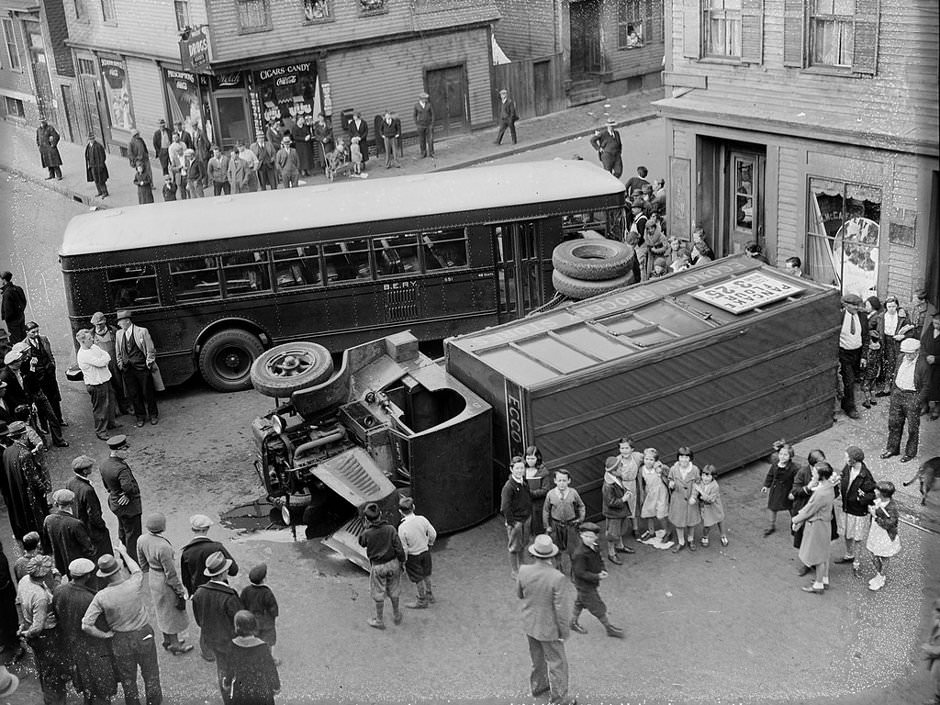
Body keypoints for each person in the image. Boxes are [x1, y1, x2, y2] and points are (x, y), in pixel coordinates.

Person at [82, 547, 164, 705]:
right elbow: (136, 570)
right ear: (118, 569)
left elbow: (86, 625)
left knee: (128, 680)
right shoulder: (133, 584)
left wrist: (105, 635)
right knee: (151, 673)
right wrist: (124, 553)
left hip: (120, 640)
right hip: (143, 634)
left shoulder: (101, 596)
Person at [516, 534, 574, 705]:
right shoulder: (557, 577)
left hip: (530, 624)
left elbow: (519, 594)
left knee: (537, 659)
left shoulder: (523, 570)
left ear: (534, 554)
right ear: (552, 556)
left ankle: (538, 686)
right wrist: (564, 631)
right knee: (557, 663)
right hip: (549, 628)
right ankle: (559, 699)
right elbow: (561, 610)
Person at [52, 557, 118, 705]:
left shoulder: (59, 591)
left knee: (85, 681)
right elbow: (102, 625)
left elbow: (57, 616)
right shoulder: (90, 599)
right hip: (93, 646)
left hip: (73, 645)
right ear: (88, 575)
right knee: (101, 684)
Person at [137, 512, 192, 656]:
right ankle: (175, 645)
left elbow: (142, 561)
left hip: (153, 577)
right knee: (171, 613)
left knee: (161, 610)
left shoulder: (142, 539)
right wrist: (180, 590)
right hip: (164, 580)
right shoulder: (163, 547)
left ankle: (167, 640)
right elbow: (171, 573)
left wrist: (148, 571)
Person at [193, 550, 244, 703]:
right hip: (230, 643)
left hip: (212, 640)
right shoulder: (229, 596)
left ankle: (227, 698)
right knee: (236, 673)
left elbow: (198, 620)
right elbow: (240, 623)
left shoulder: (199, 593)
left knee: (222, 670)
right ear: (224, 573)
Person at [17, 555, 69, 703]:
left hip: (30, 625)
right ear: (44, 574)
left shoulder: (24, 581)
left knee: (43, 668)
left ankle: (50, 695)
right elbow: (38, 627)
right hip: (46, 636)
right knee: (53, 673)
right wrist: (27, 633)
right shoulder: (40, 597)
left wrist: (22, 623)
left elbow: (18, 601)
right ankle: (56, 701)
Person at [568, 522, 624, 639]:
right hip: (584, 585)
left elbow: (599, 559)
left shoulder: (595, 546)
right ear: (581, 535)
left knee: (580, 602)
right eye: (585, 536)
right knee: (597, 607)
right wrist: (597, 576)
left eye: (591, 536)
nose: (588, 539)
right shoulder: (580, 554)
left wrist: (602, 569)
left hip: (589, 583)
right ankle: (608, 628)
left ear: (596, 537)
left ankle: (572, 623)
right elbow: (580, 572)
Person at [0, 420, 51, 543]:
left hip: (17, 491)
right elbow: (33, 478)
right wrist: (43, 489)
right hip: (30, 495)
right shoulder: (25, 454)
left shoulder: (8, 451)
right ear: (23, 435)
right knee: (38, 518)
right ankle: (43, 541)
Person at [881, 337, 930, 463]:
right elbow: (895, 373)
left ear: (917, 351)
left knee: (913, 428)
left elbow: (926, 386)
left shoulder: (923, 365)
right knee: (894, 424)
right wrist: (893, 393)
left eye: (910, 353)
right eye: (906, 353)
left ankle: (910, 453)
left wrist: (917, 401)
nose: (907, 355)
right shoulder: (900, 358)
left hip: (912, 396)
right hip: (898, 394)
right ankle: (892, 449)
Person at [358, 502, 405, 629]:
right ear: (381, 514)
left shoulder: (367, 533)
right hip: (393, 563)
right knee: (394, 589)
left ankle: (379, 620)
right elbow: (399, 548)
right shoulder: (391, 529)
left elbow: (361, 543)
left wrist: (365, 527)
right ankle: (396, 615)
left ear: (367, 519)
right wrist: (402, 562)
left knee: (378, 593)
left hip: (378, 566)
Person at [791, 461, 836, 594]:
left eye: (815, 473)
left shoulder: (820, 493)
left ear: (821, 475)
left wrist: (796, 520)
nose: (813, 474)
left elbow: (809, 510)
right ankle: (824, 579)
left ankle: (818, 584)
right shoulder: (828, 486)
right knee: (823, 553)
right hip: (824, 523)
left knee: (818, 556)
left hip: (817, 525)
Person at [99, 434, 143, 559]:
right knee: (133, 535)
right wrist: (127, 494)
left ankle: (123, 557)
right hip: (129, 508)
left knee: (123, 531)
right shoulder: (121, 468)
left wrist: (117, 493)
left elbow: (106, 485)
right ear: (117, 450)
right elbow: (129, 487)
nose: (127, 452)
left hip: (115, 502)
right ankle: (132, 561)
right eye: (125, 449)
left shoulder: (104, 464)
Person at [115, 309, 160, 427]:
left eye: (120, 321)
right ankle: (140, 417)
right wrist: (120, 363)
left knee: (147, 392)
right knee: (134, 394)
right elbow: (118, 351)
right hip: (127, 370)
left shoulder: (142, 331)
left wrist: (148, 364)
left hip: (142, 368)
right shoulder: (119, 334)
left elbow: (150, 349)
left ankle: (153, 415)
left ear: (128, 321)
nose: (118, 324)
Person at [835, 446, 876, 575]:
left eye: (847, 457)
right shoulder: (848, 468)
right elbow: (843, 477)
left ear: (853, 460)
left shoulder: (865, 476)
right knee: (847, 534)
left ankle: (856, 563)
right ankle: (849, 555)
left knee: (857, 539)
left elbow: (872, 494)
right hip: (847, 508)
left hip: (858, 512)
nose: (845, 459)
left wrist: (860, 498)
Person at [180, 514, 239, 603]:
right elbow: (234, 570)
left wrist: (191, 593)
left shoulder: (186, 552)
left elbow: (185, 579)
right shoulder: (217, 547)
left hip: (199, 595)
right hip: (220, 593)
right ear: (207, 528)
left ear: (192, 529)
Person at [226, 610, 280, 705]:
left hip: (241, 688)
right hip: (262, 689)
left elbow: (229, 667)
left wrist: (227, 682)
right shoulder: (262, 647)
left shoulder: (232, 645)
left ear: (237, 627)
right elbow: (270, 669)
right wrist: (276, 686)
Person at [67, 455, 113, 560]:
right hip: (91, 527)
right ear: (84, 471)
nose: (91, 468)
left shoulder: (70, 482)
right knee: (103, 549)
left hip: (79, 521)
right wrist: (101, 526)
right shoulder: (87, 490)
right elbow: (93, 513)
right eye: (89, 467)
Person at [541, 468, 585, 575]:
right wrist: (547, 526)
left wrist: (580, 519)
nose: (562, 483)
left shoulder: (573, 493)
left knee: (573, 549)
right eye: (559, 480)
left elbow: (581, 506)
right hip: (556, 525)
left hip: (571, 524)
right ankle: (558, 566)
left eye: (564, 480)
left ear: (569, 481)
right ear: (555, 481)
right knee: (556, 548)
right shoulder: (551, 494)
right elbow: (546, 510)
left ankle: (574, 571)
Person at [43, 488, 95, 577]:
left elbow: (46, 543)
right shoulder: (76, 523)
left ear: (56, 503)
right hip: (77, 566)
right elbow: (88, 549)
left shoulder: (48, 520)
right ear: (72, 503)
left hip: (60, 562)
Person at [76, 328, 117, 440]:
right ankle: (100, 431)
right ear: (83, 341)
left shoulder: (93, 347)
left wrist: (103, 359)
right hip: (96, 384)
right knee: (100, 408)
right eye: (89, 338)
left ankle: (110, 424)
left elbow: (106, 355)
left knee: (110, 404)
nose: (92, 339)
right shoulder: (83, 354)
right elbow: (101, 362)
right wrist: (103, 359)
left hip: (105, 380)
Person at [397, 496, 437, 609]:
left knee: (418, 578)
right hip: (425, 552)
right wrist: (430, 544)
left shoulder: (402, 527)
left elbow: (404, 548)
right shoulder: (422, 519)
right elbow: (433, 533)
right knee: (427, 574)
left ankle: (421, 600)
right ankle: (430, 594)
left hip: (413, 556)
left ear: (400, 511)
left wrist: (403, 561)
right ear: (413, 507)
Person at [23, 320, 63, 426]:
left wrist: (52, 364)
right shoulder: (24, 345)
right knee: (41, 402)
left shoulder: (44, 339)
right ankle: (44, 425)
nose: (36, 334)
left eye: (37, 331)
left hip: (49, 374)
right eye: (33, 332)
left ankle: (59, 419)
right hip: (38, 378)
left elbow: (49, 354)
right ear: (26, 332)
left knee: (54, 398)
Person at [91, 312, 131, 417]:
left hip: (114, 364)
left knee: (120, 386)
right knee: (108, 390)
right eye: (97, 324)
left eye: (101, 324)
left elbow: (121, 346)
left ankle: (125, 408)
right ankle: (113, 411)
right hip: (102, 366)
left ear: (105, 322)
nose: (99, 326)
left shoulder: (113, 331)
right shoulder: (91, 335)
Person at [863, 480, 900, 592]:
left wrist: (875, 516)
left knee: (884, 557)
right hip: (876, 531)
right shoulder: (879, 501)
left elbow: (890, 523)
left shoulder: (892, 507)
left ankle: (881, 577)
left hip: (885, 535)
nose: (874, 491)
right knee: (873, 553)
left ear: (882, 494)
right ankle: (879, 574)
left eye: (877, 490)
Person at [501, 456, 533, 577]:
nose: (520, 470)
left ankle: (523, 566)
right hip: (516, 522)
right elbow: (505, 506)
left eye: (522, 468)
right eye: (517, 468)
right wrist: (511, 522)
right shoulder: (509, 487)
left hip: (526, 519)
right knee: (514, 547)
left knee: (523, 544)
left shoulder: (524, 483)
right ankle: (515, 571)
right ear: (511, 469)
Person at [838, 293, 869, 419]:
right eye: (854, 305)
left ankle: (845, 402)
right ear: (846, 305)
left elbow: (866, 337)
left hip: (858, 353)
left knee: (854, 380)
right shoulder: (839, 317)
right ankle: (850, 408)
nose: (857, 308)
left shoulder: (862, 317)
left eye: (858, 305)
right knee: (849, 381)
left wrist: (864, 356)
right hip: (844, 353)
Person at [667, 446, 702, 553]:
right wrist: (671, 484)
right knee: (679, 522)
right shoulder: (673, 469)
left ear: (690, 458)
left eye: (687, 457)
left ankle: (690, 540)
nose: (684, 460)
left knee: (691, 521)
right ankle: (681, 542)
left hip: (691, 500)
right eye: (681, 457)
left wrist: (694, 497)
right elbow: (670, 479)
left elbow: (698, 484)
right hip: (678, 500)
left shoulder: (695, 470)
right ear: (678, 458)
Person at [760, 442, 797, 536]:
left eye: (785, 455)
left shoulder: (794, 468)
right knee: (772, 508)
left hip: (788, 491)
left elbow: (797, 482)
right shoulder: (775, 464)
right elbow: (770, 475)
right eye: (781, 454)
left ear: (790, 456)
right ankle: (771, 526)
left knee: (792, 509)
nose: (782, 457)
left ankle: (795, 525)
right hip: (776, 491)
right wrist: (766, 485)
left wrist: (793, 492)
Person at [878, 295, 910, 397]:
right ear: (885, 307)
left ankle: (896, 387)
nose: (891, 309)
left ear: (897, 306)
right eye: (889, 307)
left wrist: (902, 336)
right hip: (886, 341)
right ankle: (887, 385)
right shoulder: (882, 317)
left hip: (897, 342)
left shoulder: (902, 316)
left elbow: (910, 331)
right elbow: (877, 329)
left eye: (893, 306)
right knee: (887, 363)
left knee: (898, 362)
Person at [601, 456, 632, 564]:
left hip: (620, 512)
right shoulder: (608, 485)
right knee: (612, 534)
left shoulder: (616, 478)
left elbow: (621, 488)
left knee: (620, 530)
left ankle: (620, 546)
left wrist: (626, 491)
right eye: (620, 468)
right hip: (613, 514)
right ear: (613, 471)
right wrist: (623, 499)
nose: (622, 470)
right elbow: (610, 502)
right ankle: (611, 553)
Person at [639, 448, 672, 547]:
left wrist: (660, 466)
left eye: (651, 459)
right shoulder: (642, 469)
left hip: (661, 492)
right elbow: (641, 483)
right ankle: (651, 531)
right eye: (646, 459)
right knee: (649, 513)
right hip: (650, 493)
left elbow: (668, 471)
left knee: (661, 515)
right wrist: (642, 495)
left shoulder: (659, 468)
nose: (648, 461)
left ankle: (668, 532)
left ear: (655, 460)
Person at [239, 564, 278, 647]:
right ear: (264, 579)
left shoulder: (246, 590)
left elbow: (241, 606)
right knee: (268, 643)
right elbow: (274, 610)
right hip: (266, 624)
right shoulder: (267, 593)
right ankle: (269, 658)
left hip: (252, 622)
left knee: (255, 642)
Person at [691, 464, 728, 547]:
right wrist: (693, 497)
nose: (705, 478)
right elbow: (695, 490)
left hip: (715, 506)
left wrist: (700, 491)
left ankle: (723, 535)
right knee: (707, 524)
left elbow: (711, 499)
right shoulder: (700, 482)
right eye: (703, 475)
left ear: (713, 477)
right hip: (705, 508)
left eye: (708, 476)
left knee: (720, 520)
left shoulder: (715, 486)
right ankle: (705, 536)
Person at [617, 438, 644, 540]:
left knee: (634, 507)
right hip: (621, 485)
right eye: (622, 448)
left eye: (627, 448)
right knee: (622, 507)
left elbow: (651, 458)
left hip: (633, 484)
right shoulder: (618, 460)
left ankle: (635, 528)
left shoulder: (637, 457)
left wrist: (657, 466)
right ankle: (620, 530)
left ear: (632, 449)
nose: (624, 450)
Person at [524, 445, 551, 537]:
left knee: (538, 525)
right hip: (525, 503)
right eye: (528, 458)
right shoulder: (523, 470)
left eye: (532, 458)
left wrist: (531, 493)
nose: (530, 461)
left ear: (537, 458)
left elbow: (545, 489)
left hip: (538, 504)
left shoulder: (543, 472)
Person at [0, 272, 28, 344]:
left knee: (15, 340)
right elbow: (24, 302)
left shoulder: (7, 292)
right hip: (21, 317)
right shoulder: (18, 288)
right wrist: (20, 312)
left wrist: (7, 318)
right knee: (23, 337)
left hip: (12, 321)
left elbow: (7, 308)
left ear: (3, 280)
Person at [922, 311, 940, 419]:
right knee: (925, 384)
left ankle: (937, 408)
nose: (936, 326)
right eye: (935, 323)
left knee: (937, 387)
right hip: (927, 363)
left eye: (938, 324)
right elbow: (923, 343)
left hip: (938, 367)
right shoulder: (930, 329)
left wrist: (936, 359)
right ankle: (925, 406)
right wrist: (926, 356)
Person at [923, 597, 940, 705]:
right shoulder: (937, 621)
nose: (933, 612)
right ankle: (937, 698)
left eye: (937, 610)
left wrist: (930, 649)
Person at [860, 329, 883, 409]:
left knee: (865, 387)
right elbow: (880, 361)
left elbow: (864, 364)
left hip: (868, 371)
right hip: (875, 370)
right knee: (873, 386)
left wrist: (861, 372)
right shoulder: (879, 348)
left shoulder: (868, 351)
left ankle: (867, 402)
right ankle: (873, 400)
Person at [84, 133, 110, 198]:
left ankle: (105, 192)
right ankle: (99, 192)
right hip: (92, 166)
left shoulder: (98, 146)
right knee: (96, 179)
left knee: (101, 179)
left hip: (99, 166)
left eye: (92, 139)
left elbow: (103, 156)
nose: (91, 140)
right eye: (90, 139)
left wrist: (101, 165)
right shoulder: (88, 147)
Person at [414, 92, 434, 158]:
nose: (426, 100)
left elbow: (432, 114)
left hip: (428, 125)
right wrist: (417, 123)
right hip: (420, 125)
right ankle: (423, 153)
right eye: (425, 98)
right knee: (422, 140)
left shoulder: (429, 105)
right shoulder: (416, 106)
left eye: (426, 98)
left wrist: (432, 123)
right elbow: (414, 115)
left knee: (430, 139)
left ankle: (431, 153)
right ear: (421, 99)